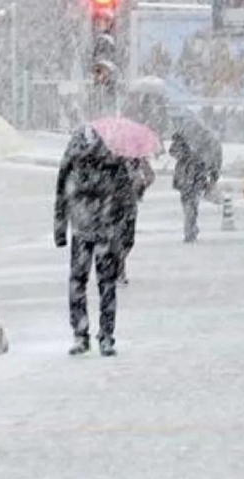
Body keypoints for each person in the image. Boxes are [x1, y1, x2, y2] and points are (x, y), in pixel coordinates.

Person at [54, 126, 145, 356]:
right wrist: (127, 236)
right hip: (107, 228)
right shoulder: (114, 156)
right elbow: (127, 200)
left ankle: (81, 334)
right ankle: (106, 336)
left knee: (77, 282)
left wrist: (60, 228)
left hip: (81, 229)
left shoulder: (73, 154)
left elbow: (61, 193)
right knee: (106, 284)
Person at [170, 126, 220, 244]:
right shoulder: (186, 144)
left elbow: (207, 164)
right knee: (190, 206)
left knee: (190, 206)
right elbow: (173, 152)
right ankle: (190, 229)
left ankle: (190, 230)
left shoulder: (199, 148)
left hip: (192, 178)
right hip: (189, 179)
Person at [118, 154, 156, 286]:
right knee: (118, 239)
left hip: (130, 206)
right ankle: (119, 269)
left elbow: (150, 176)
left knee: (128, 241)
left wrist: (141, 186)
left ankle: (118, 262)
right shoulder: (110, 158)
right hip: (113, 206)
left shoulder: (139, 160)